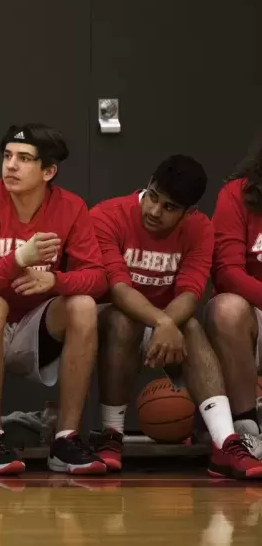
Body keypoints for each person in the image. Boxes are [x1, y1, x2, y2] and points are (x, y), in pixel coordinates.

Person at [90, 155, 262, 478]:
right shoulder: (106, 215)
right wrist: (163, 322)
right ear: (148, 184)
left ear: (189, 212)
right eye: (153, 197)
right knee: (123, 320)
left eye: (169, 208)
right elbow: (118, 287)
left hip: (164, 325)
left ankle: (226, 443)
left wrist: (168, 323)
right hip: (111, 325)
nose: (155, 211)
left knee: (193, 326)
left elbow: (191, 292)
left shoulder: (200, 229)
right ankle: (111, 435)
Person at [0, 123, 108, 476]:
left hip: (36, 327)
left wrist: (55, 280)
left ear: (49, 171)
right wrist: (18, 260)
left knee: (84, 305)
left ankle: (65, 438)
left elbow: (98, 278)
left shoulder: (71, 208)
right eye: (8, 156)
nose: (11, 165)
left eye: (24, 159)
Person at [207, 137, 262, 451]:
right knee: (226, 308)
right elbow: (227, 272)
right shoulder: (238, 194)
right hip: (253, 313)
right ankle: (246, 426)